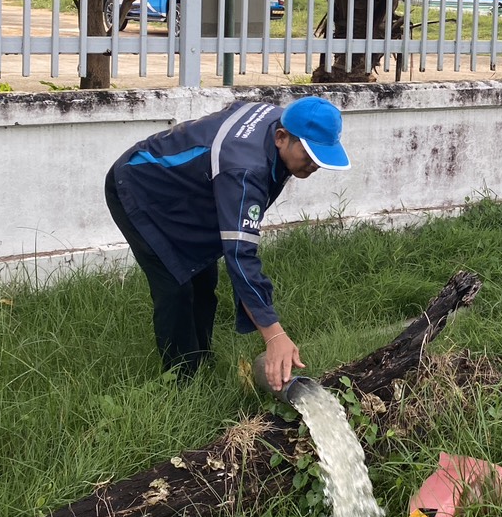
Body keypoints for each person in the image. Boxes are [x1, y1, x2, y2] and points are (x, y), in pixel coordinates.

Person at [104, 95, 350, 389]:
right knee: (176, 289)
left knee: (202, 279)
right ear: (282, 138)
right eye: (309, 155)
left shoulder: (281, 123)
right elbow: (240, 256)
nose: (313, 165)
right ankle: (181, 383)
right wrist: (274, 335)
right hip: (140, 188)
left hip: (186, 194)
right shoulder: (244, 168)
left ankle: (202, 364)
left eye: (321, 158)